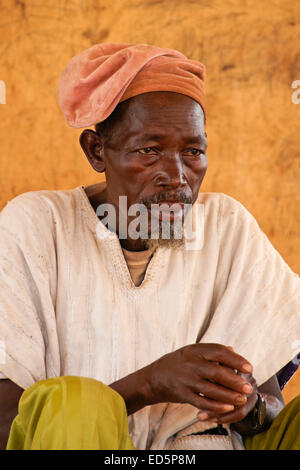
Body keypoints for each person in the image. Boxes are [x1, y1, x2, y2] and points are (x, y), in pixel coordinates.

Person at [0, 43, 299, 451]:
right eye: (149, 151)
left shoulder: (227, 228)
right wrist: (150, 383)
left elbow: (272, 412)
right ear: (96, 150)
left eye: (193, 152)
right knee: (75, 404)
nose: (176, 177)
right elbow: (6, 424)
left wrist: (248, 407)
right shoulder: (37, 225)